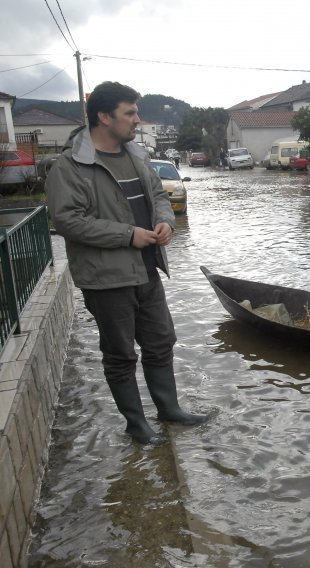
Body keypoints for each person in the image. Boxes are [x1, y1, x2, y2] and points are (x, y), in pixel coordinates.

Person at [46, 81, 207, 446]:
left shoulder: (136, 154)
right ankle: (137, 425)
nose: (137, 120)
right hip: (106, 279)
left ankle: (169, 410)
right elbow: (67, 221)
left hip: (147, 270)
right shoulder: (71, 165)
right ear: (104, 117)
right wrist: (127, 235)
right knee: (120, 354)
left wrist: (165, 220)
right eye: (130, 113)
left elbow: (156, 194)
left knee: (161, 342)